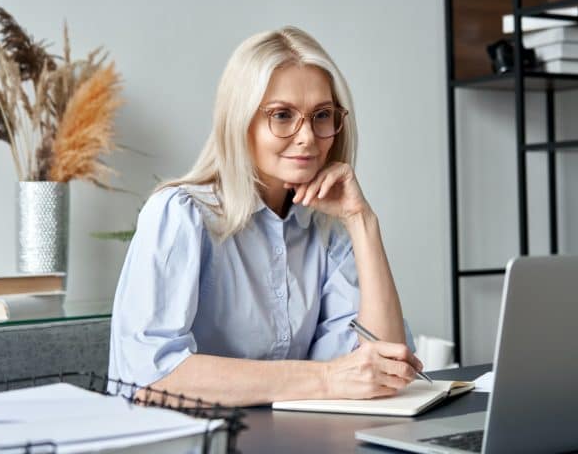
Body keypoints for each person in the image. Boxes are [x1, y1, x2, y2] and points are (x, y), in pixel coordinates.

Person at [108, 26, 421, 406]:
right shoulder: (180, 215)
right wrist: (325, 379)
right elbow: (149, 377)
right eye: (282, 115)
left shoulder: (326, 230)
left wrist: (362, 221)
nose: (307, 137)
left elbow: (382, 370)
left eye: (322, 115)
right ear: (240, 122)